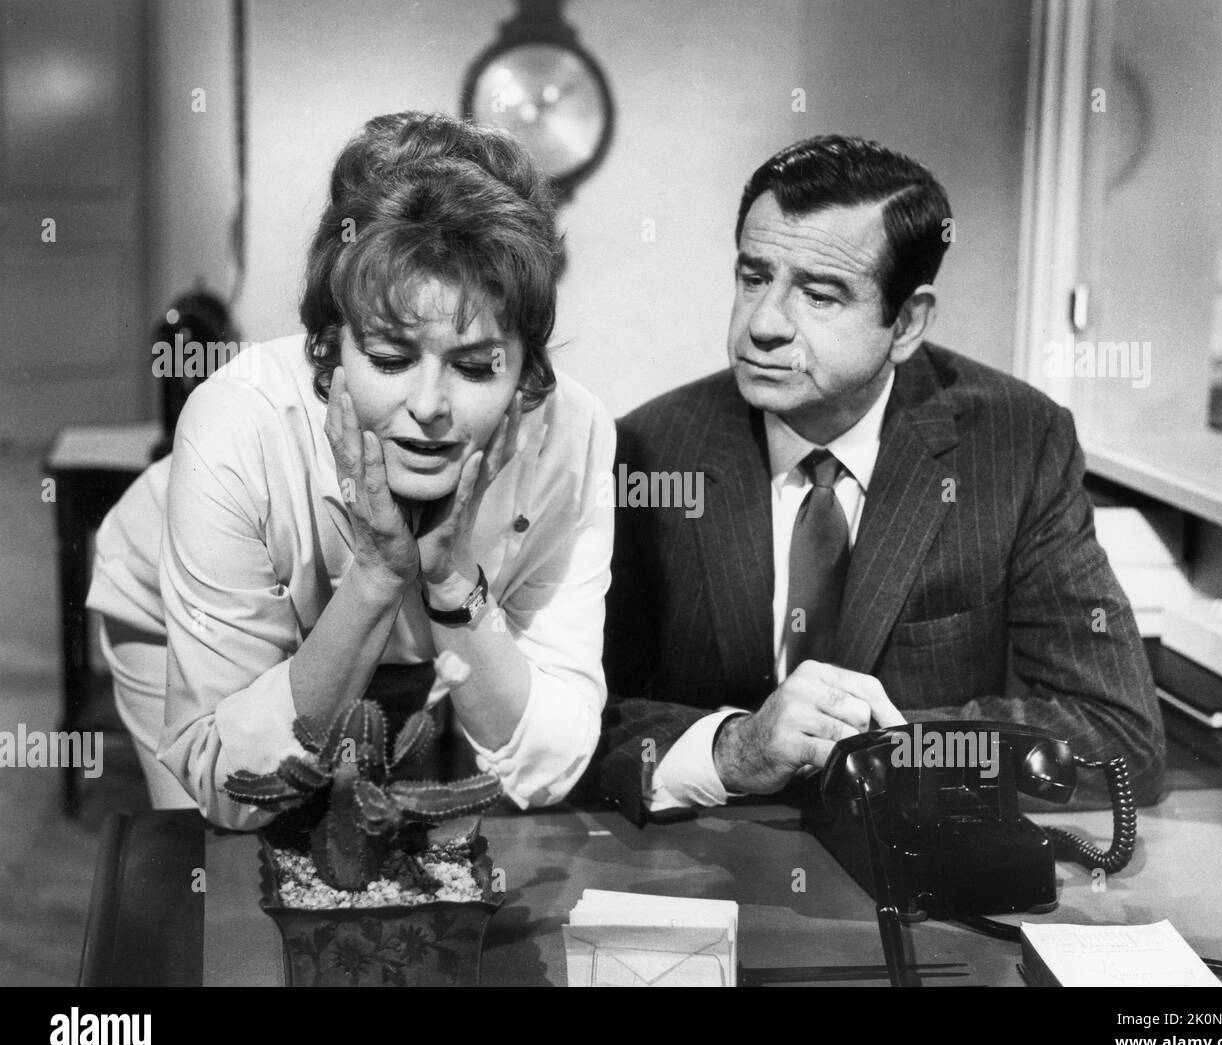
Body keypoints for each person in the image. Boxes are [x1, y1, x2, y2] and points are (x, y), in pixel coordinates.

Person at [593, 135, 1165, 825]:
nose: (764, 324)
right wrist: (736, 747)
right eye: (754, 277)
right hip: (709, 853)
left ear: (907, 323)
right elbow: (580, 720)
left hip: (912, 850)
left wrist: (885, 749)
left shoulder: (1016, 445)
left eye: (819, 295)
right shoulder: (650, 454)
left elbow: (1120, 736)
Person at [88, 112, 614, 828]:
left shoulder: (575, 435)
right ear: (330, 346)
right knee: (220, 854)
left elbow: (550, 765)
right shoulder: (234, 420)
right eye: (390, 360)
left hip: (410, 646)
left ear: (527, 370)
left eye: (474, 366)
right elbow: (229, 785)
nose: (427, 407)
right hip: (171, 606)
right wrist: (375, 575)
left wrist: (452, 579)